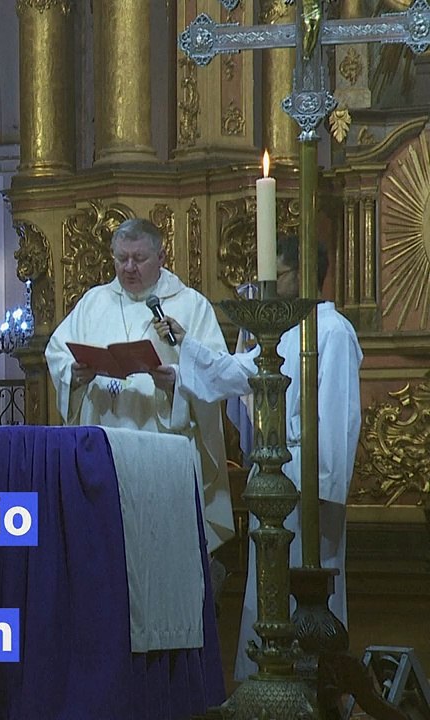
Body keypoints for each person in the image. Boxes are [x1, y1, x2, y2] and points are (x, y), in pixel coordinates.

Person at [161, 237, 363, 681]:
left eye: (277, 276)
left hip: (305, 479)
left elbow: (337, 416)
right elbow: (236, 374)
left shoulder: (331, 330)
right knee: (267, 583)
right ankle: (268, 678)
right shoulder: (286, 333)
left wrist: (322, 488)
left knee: (307, 583)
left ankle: (315, 680)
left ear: (305, 274)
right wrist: (183, 352)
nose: (267, 288)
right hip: (273, 472)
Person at [45, 218, 235, 552]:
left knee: (161, 549)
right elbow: (57, 353)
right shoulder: (93, 302)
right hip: (104, 447)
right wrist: (73, 376)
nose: (129, 268)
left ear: (161, 257)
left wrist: (176, 382)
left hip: (162, 450)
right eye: (121, 259)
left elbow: (216, 372)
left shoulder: (190, 305)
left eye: (139, 259)